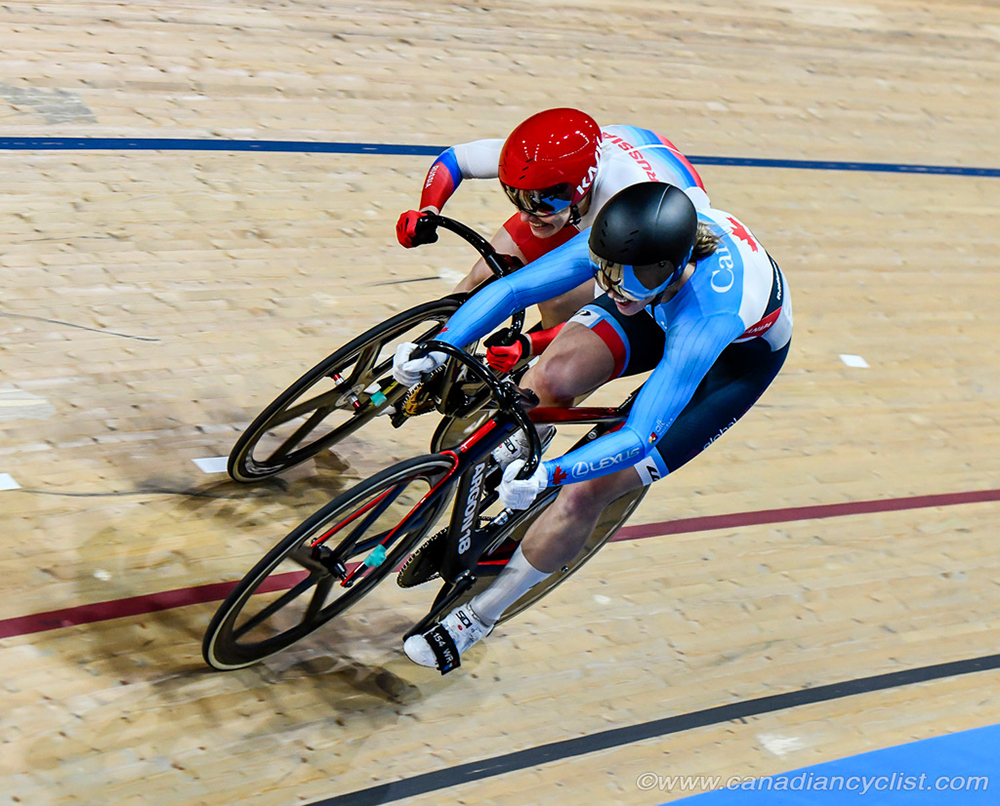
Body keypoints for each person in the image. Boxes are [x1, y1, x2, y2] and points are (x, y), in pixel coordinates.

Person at [392, 182, 793, 673]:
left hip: (731, 361)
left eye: (631, 275)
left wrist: (552, 475)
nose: (616, 282)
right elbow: (515, 288)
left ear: (671, 265)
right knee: (550, 376)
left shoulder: (711, 312)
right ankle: (528, 438)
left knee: (586, 491)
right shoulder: (628, 249)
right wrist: (441, 343)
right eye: (607, 270)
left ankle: (479, 616)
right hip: (658, 304)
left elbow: (638, 435)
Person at [395, 108, 710, 369]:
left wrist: (531, 345)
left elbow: (614, 300)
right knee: (482, 275)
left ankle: (526, 382)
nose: (524, 214)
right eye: (517, 197)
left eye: (538, 203)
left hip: (642, 232)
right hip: (596, 198)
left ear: (580, 185)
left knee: (558, 303)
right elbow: (457, 159)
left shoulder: (623, 199)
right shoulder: (544, 160)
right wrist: (428, 209)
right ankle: (427, 355)